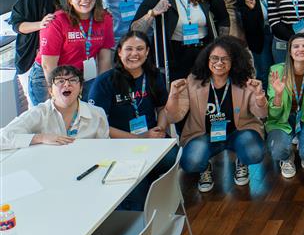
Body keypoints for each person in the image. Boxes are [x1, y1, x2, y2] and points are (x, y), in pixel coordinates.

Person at [166, 36, 267, 192]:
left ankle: (241, 159)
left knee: (254, 153)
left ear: (234, 61)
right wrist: (173, 96)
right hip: (203, 135)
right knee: (191, 162)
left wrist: (259, 97)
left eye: (225, 59)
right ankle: (204, 165)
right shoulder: (193, 81)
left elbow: (261, 113)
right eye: (214, 58)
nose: (219, 63)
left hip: (237, 132)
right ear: (207, 59)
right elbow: (174, 117)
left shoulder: (243, 81)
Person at [88, 32, 176, 210]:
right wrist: (139, 138)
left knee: (171, 157)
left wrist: (160, 128)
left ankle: (159, 198)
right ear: (119, 52)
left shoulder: (154, 76)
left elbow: (162, 109)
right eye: (129, 49)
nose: (134, 54)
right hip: (119, 144)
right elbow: (100, 125)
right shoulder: (104, 82)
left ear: (147, 52)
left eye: (140, 49)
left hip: (152, 139)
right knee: (136, 193)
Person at [132, 0, 228, 82]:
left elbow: (224, 18)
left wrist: (221, 47)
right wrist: (152, 13)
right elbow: (135, 30)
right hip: (173, 54)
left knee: (202, 92)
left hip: (204, 51)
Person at [30, 0, 115, 104]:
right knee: (54, 119)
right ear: (69, 0)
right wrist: (57, 93)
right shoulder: (57, 21)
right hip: (49, 76)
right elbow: (48, 65)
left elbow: (105, 58)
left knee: (86, 115)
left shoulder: (105, 18)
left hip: (81, 74)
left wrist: (101, 86)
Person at [1, 65, 109, 150]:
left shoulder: (97, 114)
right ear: (50, 90)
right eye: (60, 81)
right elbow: (3, 138)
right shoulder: (39, 113)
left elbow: (105, 149)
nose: (67, 84)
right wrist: (40, 138)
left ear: (80, 88)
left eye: (72, 80)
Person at [265, 33, 304, 178]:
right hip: (283, 119)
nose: (301, 49)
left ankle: (302, 139)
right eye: (296, 46)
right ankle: (287, 158)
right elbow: (273, 114)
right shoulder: (276, 71)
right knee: (277, 151)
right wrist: (278, 95)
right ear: (290, 51)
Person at [236, 0, 279, 81]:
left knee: (281, 69)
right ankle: (264, 99)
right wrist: (251, 9)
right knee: (264, 73)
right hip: (259, 38)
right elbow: (249, 26)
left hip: (280, 35)